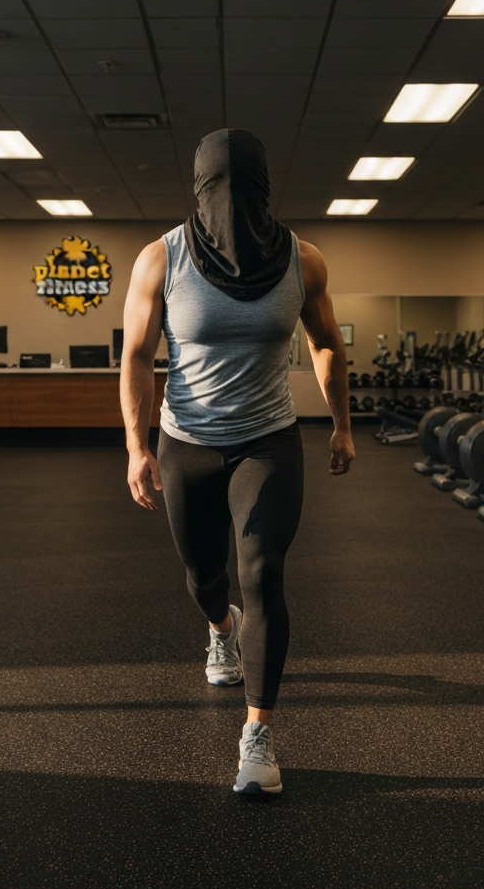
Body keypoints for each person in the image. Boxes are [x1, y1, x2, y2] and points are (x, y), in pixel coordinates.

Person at [120, 128, 354, 795]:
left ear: (265, 190)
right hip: (187, 440)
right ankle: (220, 630)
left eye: (243, 186)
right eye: (217, 186)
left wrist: (342, 425)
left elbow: (328, 344)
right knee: (204, 574)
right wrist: (138, 446)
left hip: (268, 439)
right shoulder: (159, 259)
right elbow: (136, 356)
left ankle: (258, 734)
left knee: (263, 576)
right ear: (198, 189)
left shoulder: (303, 261)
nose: (230, 200)